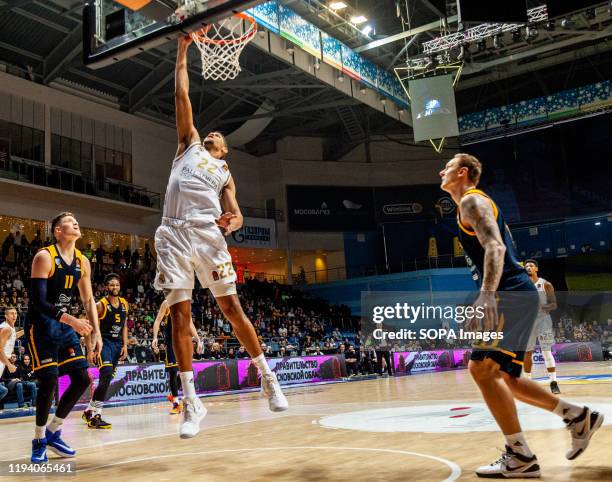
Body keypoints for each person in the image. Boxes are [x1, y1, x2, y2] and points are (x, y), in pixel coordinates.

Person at [152, 35, 288, 438]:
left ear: (225, 151)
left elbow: (238, 213)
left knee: (231, 308)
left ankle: (267, 376)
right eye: (208, 132)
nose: (211, 132)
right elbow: (181, 93)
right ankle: (192, 401)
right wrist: (182, 50)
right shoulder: (187, 145)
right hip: (172, 234)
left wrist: (235, 220)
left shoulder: (225, 172)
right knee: (181, 315)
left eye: (218, 136)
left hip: (209, 236)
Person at [440, 154, 603, 478]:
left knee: (483, 370)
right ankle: (575, 416)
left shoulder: (472, 201)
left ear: (463, 173)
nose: (440, 171)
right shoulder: (473, 205)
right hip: (512, 294)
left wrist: (487, 295)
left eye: (447, 167)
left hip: (508, 294)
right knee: (504, 376)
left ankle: (520, 454)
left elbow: (496, 249)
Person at [24, 212, 101, 463]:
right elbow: (39, 302)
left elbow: (88, 300)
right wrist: (73, 321)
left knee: (81, 379)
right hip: (41, 325)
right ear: (57, 230)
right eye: (69, 221)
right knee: (49, 380)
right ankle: (38, 439)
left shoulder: (82, 261)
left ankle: (54, 430)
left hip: (65, 325)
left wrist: (95, 334)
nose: (75, 222)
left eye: (77, 219)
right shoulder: (45, 257)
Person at [82, 273, 129, 429]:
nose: (114, 287)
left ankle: (89, 410)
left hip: (117, 345)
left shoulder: (124, 304)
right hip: (104, 344)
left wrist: (125, 345)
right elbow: (87, 328)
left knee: (107, 380)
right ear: (106, 287)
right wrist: (90, 349)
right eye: (111, 284)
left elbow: (124, 325)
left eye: (116, 284)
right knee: (106, 375)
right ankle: (96, 416)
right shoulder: (100, 305)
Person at [152, 300, 203, 415]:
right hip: (171, 342)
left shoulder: (185, 303)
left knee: (187, 372)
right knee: (173, 372)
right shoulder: (166, 303)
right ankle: (176, 403)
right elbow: (157, 320)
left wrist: (198, 339)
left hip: (184, 341)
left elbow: (190, 323)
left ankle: (173, 395)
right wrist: (155, 337)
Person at [523, 259, 560, 394]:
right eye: (526, 266)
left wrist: (541, 307)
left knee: (546, 351)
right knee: (527, 352)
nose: (528, 267)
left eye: (531, 265)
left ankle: (553, 382)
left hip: (543, 320)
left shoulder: (546, 284)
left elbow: (554, 304)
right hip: (528, 322)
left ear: (536, 269)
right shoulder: (522, 286)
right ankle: (527, 383)